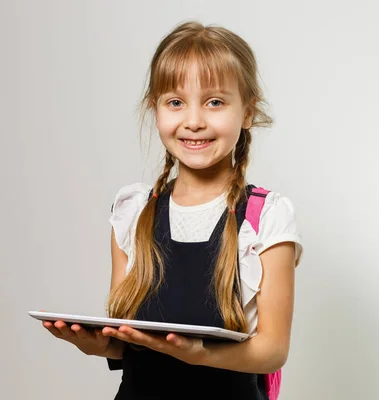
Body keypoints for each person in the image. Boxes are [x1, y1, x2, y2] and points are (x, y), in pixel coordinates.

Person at [41, 20, 303, 399]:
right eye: (176, 102)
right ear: (156, 109)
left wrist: (200, 354)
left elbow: (273, 350)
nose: (194, 121)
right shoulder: (133, 212)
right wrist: (97, 344)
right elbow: (125, 337)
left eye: (215, 102)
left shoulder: (267, 217)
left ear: (247, 112)